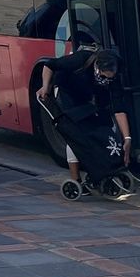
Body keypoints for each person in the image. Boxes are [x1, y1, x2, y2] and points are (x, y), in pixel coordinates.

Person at [38, 48, 131, 191]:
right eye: (104, 77)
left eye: (109, 78)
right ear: (97, 67)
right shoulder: (81, 59)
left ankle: (99, 170)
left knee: (99, 131)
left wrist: (127, 138)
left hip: (88, 100)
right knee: (76, 134)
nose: (106, 81)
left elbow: (119, 109)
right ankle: (76, 179)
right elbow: (50, 64)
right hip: (67, 94)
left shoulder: (113, 79)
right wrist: (45, 87)